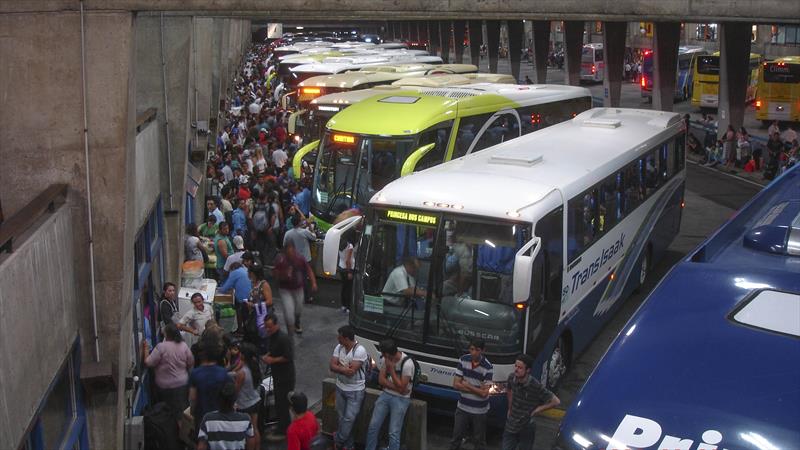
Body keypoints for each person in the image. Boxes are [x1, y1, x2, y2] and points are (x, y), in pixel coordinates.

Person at [501, 354, 560, 450]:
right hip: (511, 423)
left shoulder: (535, 386)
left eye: (520, 367)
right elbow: (509, 390)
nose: (516, 369)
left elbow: (556, 401)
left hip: (526, 426)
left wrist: (537, 410)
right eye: (515, 366)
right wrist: (510, 407)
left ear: (528, 370)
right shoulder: (512, 378)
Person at [365, 339, 414, 450]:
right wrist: (399, 387)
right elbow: (381, 381)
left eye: (382, 353)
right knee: (373, 426)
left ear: (387, 354)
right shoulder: (385, 360)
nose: (382, 356)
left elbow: (403, 389)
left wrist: (391, 369)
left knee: (393, 432)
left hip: (401, 400)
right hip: (386, 395)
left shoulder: (407, 364)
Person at [142, 324, 194, 424]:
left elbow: (148, 362)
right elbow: (191, 362)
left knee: (166, 412)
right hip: (181, 385)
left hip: (164, 387)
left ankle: (169, 432)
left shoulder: (161, 347)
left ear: (167, 334)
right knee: (182, 413)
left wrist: (145, 349)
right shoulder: (183, 346)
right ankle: (182, 434)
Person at [450, 339, 493, 450]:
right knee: (456, 437)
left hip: (479, 410)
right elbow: (456, 384)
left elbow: (484, 393)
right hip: (462, 407)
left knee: (479, 441)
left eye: (477, 350)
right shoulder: (463, 360)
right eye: (472, 349)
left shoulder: (488, 367)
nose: (473, 353)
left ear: (483, 350)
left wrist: (468, 385)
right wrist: (477, 389)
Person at [330, 325, 368, 450]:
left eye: (339, 337)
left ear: (346, 338)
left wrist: (339, 367)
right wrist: (344, 369)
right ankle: (349, 445)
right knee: (342, 418)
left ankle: (338, 440)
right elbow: (332, 366)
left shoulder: (360, 350)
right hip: (340, 387)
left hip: (355, 390)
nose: (337, 339)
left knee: (349, 419)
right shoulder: (339, 347)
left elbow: (351, 372)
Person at [262, 314, 295, 441]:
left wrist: (272, 360)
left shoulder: (283, 338)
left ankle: (284, 429)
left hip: (285, 376)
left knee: (283, 403)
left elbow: (288, 356)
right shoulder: (272, 337)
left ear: (276, 325)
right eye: (266, 327)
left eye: (270, 327)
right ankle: (281, 425)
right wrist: (268, 355)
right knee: (278, 401)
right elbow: (274, 350)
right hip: (277, 374)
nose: (268, 329)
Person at [196, 381, 257, 450]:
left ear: (218, 399)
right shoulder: (245, 419)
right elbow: (251, 441)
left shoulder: (208, 419)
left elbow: (201, 447)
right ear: (235, 400)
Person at [273, 241, 317, 335]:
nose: (291, 255)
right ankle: (290, 333)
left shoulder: (300, 259)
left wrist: (313, 282)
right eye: (288, 252)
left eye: (292, 252)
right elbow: (275, 275)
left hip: (298, 288)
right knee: (289, 312)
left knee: (298, 308)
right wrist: (284, 275)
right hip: (285, 289)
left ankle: (297, 321)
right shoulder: (281, 260)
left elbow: (308, 269)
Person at [189, 343, 230, 440]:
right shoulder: (223, 373)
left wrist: (192, 410)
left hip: (202, 415)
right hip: (220, 414)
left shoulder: (195, 373)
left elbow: (193, 397)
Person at [231, 343, 263, 449]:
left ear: (243, 355)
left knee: (248, 433)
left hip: (244, 405)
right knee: (255, 428)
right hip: (255, 400)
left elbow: (236, 390)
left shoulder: (242, 373)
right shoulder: (253, 365)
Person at [217, 260, 252, 335]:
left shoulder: (234, 273)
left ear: (232, 269)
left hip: (242, 298)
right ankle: (242, 330)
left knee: (239, 310)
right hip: (250, 296)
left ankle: (240, 330)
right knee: (247, 315)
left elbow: (224, 289)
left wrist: (218, 289)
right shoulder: (244, 270)